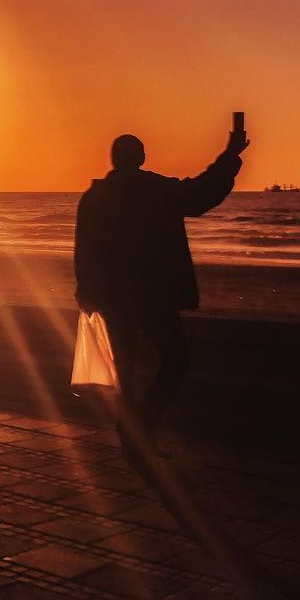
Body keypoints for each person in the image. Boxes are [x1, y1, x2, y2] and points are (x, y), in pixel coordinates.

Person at [74, 127, 249, 462]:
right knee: (175, 360)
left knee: (124, 369)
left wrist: (85, 291)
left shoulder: (95, 198)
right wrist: (230, 156)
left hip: (112, 297)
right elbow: (201, 195)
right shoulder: (153, 190)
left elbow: (84, 250)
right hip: (152, 295)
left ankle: (132, 432)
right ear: (140, 158)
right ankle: (140, 428)